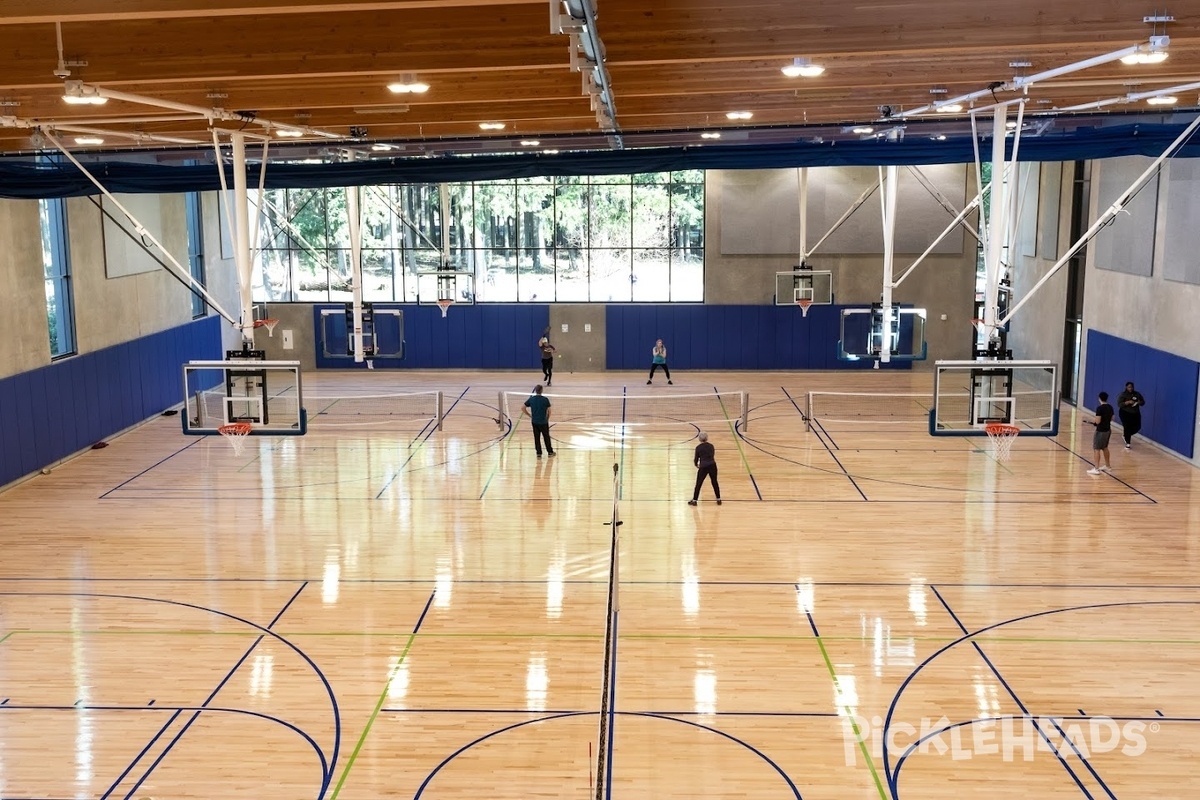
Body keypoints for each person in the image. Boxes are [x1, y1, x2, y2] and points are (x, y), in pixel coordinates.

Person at [687, 431, 721, 505]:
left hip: (703, 467)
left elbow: (696, 458)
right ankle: (718, 499)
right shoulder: (711, 446)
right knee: (714, 482)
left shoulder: (698, 448)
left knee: (699, 483)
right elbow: (712, 454)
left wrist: (696, 464)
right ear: (707, 438)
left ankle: (695, 500)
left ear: (699, 439)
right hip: (712, 465)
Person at [522, 384, 555, 458]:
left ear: (536, 391)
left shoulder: (532, 399)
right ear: (542, 390)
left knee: (537, 437)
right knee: (546, 437)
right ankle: (550, 452)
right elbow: (549, 411)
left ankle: (539, 453)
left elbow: (523, 408)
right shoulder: (545, 399)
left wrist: (529, 415)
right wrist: (547, 418)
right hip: (543, 422)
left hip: (535, 421)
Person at [1086, 391, 1114, 475]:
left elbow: (1098, 421)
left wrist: (1095, 422)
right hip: (1108, 430)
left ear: (1099, 398)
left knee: (1097, 448)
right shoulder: (1110, 407)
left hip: (1100, 431)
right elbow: (1112, 418)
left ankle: (1096, 468)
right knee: (1105, 447)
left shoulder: (1100, 408)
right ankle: (1108, 466)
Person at [1116, 381, 1146, 449]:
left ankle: (1126, 435)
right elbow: (1119, 404)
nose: (1131, 388)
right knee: (1127, 427)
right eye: (1129, 387)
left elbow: (1143, 402)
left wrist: (1139, 402)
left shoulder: (1137, 394)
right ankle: (1128, 443)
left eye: (1132, 387)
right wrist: (1127, 402)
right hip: (1125, 413)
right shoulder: (1123, 395)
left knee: (1138, 427)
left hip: (1135, 413)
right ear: (1126, 387)